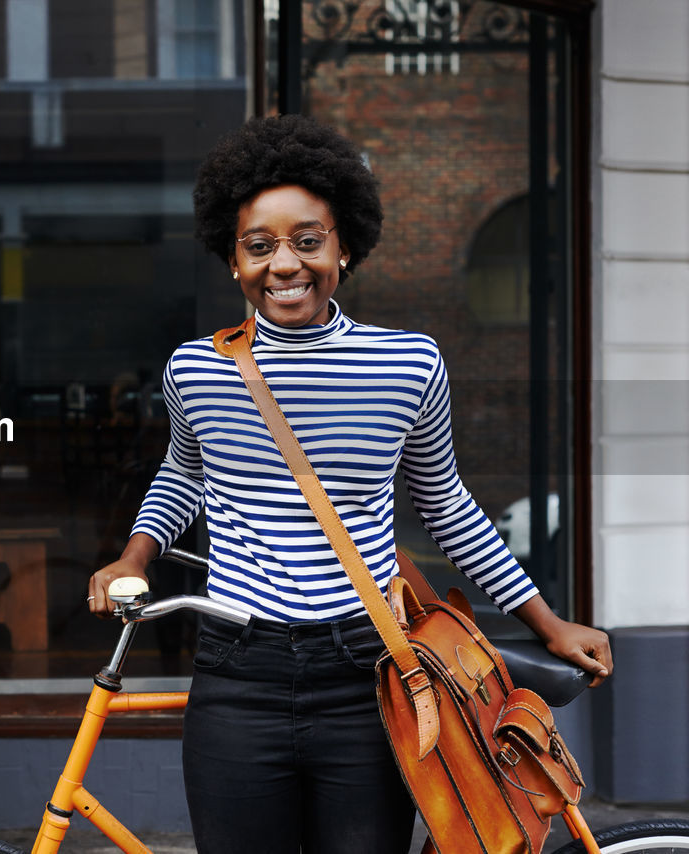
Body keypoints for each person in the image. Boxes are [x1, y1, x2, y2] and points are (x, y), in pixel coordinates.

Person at [87, 114, 612, 854]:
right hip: (238, 673)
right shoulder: (197, 369)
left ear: (346, 249)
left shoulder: (409, 365)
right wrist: (133, 558)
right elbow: (184, 475)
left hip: (368, 671)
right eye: (259, 246)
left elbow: (448, 504)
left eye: (308, 241)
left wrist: (550, 624)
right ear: (233, 262)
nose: (285, 264)